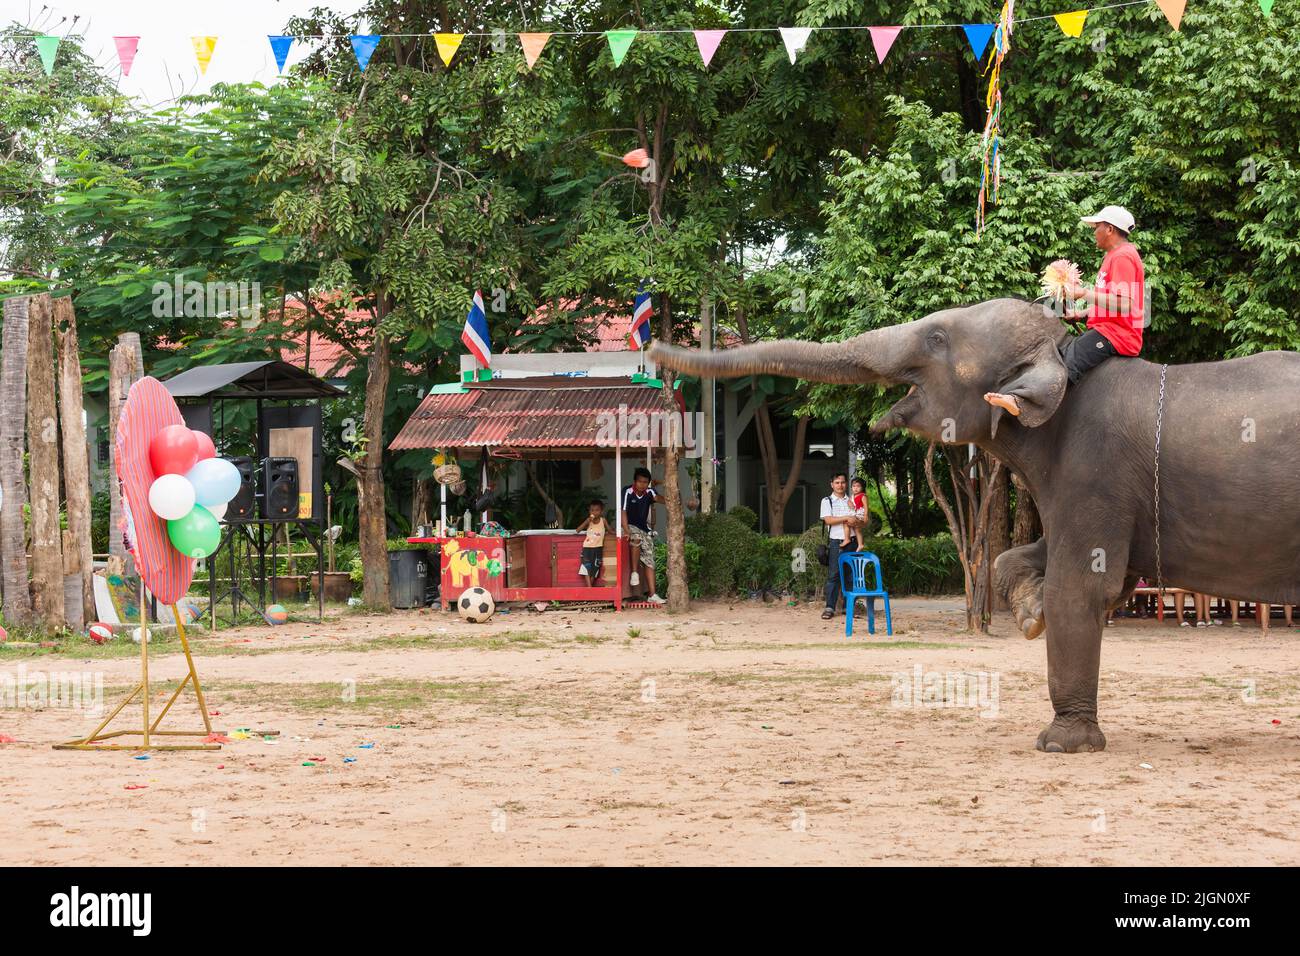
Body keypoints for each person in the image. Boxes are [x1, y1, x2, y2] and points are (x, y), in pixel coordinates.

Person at [985, 205, 1146, 418]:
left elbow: (1125, 304)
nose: (1093, 232)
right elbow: (1111, 300)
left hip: (1116, 335)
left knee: (1063, 365)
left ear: (1109, 229)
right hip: (1107, 330)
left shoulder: (1122, 256)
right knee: (1058, 354)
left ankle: (1023, 404)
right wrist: (1084, 313)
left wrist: (1082, 293)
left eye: (1096, 226)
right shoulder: (1113, 256)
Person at [819, 472, 862, 620]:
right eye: (837, 482)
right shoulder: (827, 501)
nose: (840, 485)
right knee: (834, 576)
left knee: (851, 576)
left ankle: (848, 608)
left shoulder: (851, 500)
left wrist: (856, 520)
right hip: (836, 542)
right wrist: (846, 518)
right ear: (832, 484)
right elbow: (828, 520)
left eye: (843, 482)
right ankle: (829, 608)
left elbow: (861, 519)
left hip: (853, 541)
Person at [621, 467, 666, 605]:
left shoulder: (650, 492)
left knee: (650, 559)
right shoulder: (627, 491)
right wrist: (626, 530)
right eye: (639, 481)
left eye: (645, 482)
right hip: (628, 526)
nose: (642, 484)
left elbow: (664, 500)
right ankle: (634, 573)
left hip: (644, 529)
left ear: (648, 483)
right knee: (635, 537)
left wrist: (665, 483)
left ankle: (652, 594)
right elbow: (622, 512)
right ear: (635, 481)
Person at [575, 499, 607, 587]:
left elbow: (610, 530)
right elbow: (578, 530)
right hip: (587, 548)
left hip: (598, 548)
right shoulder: (588, 521)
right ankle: (590, 589)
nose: (594, 512)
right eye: (592, 510)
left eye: (597, 510)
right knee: (586, 567)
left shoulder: (603, 521)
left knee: (595, 569)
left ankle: (590, 589)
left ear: (601, 511)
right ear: (589, 511)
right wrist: (587, 521)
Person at [849, 477, 869, 552]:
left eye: (858, 486)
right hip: (854, 513)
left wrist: (865, 516)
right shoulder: (852, 496)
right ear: (851, 487)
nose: (855, 488)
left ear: (862, 487)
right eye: (854, 486)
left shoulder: (863, 496)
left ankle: (860, 544)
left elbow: (866, 507)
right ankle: (859, 544)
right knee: (857, 530)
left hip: (860, 513)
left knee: (857, 529)